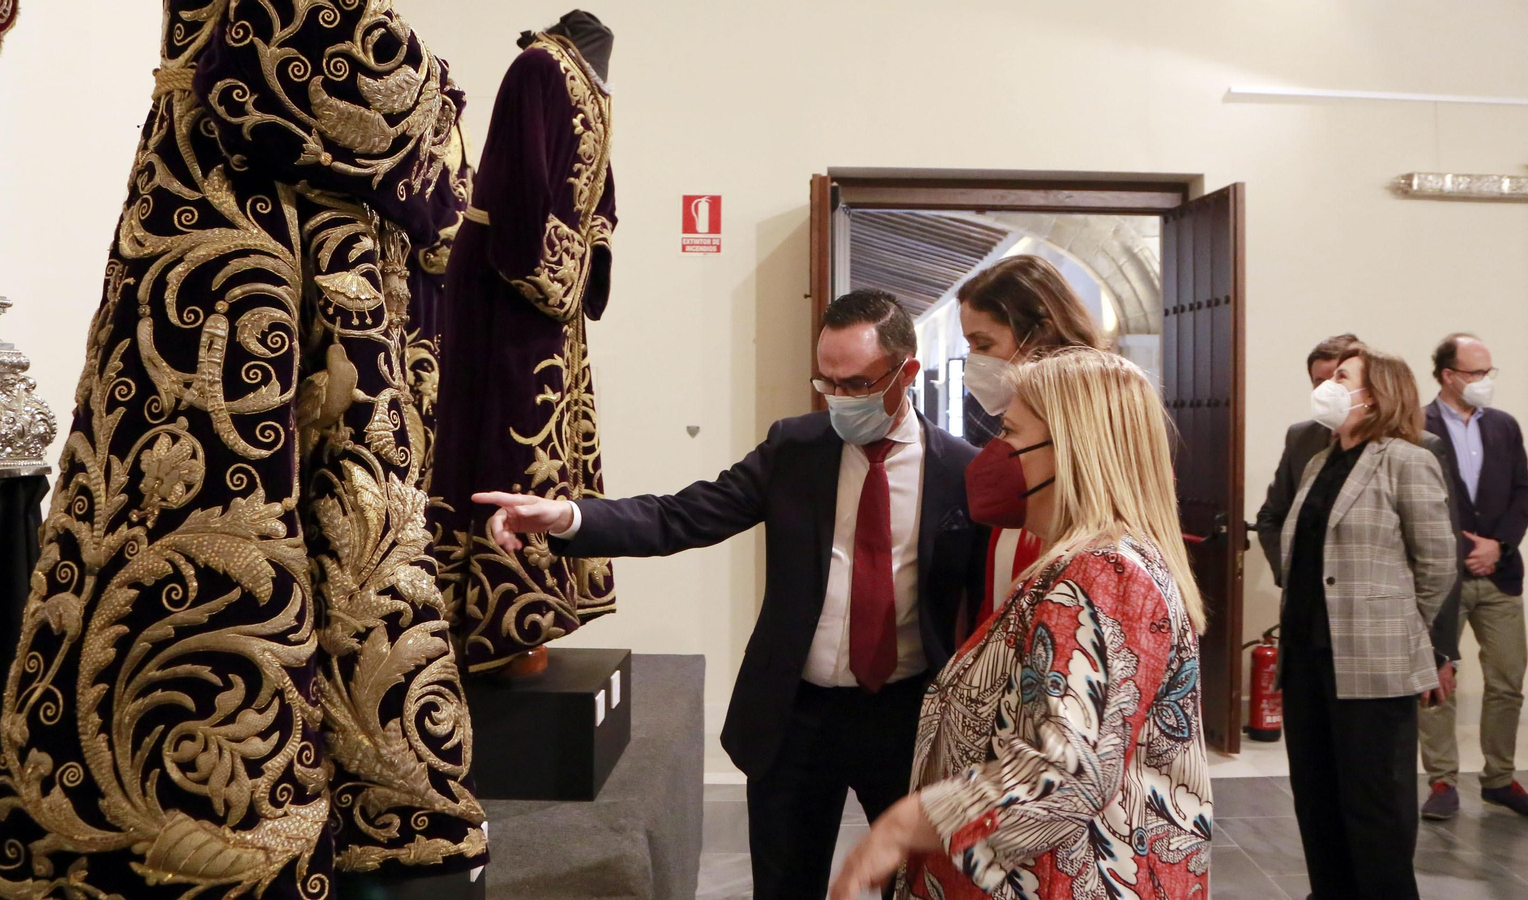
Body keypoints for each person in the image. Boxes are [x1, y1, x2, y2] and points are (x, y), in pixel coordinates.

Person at [476, 289, 987, 899]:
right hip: (796, 716)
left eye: (856, 384)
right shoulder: (794, 449)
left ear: (907, 372)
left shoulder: (963, 472)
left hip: (906, 716)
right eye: (826, 383)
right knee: (782, 887)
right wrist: (566, 518)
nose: (839, 400)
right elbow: (680, 516)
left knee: (918, 887)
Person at [830, 348, 1212, 900]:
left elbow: (1067, 770)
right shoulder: (1092, 562)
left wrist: (904, 824)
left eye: (1009, 432)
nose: (993, 454)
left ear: (1070, 449)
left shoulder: (1103, 572)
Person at [1279, 344, 1456, 900]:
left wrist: (1401, 627)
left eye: (1342, 377)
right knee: (1317, 795)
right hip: (1308, 657)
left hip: (1372, 659)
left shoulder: (1407, 459)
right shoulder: (1317, 460)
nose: (1328, 385)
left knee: (1374, 805)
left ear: (1377, 394)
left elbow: (1436, 563)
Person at [958, 255, 1107, 626]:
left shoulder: (1105, 433)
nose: (973, 361)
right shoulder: (1003, 422)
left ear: (1039, 335)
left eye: (984, 344)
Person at [1419, 333, 1528, 819]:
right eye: (1476, 373)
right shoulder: (1416, 426)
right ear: (1449, 376)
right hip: (1444, 576)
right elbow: (1421, 501)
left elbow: (1522, 490)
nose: (1485, 382)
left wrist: (1499, 545)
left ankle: (1500, 778)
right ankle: (1442, 780)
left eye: (1489, 373)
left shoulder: (1504, 426)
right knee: (1438, 679)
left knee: (1507, 678)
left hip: (1499, 574)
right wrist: (1468, 548)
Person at [1256, 333, 1361, 585]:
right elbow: (1271, 516)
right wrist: (1287, 573)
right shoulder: (1301, 437)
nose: (1327, 389)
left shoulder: (1409, 445)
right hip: (1307, 596)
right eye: (1319, 382)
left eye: (1338, 378)